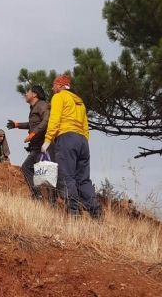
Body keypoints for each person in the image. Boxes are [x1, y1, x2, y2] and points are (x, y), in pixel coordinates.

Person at [41, 75, 101, 219]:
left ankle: (73, 212)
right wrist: (83, 140)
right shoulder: (80, 102)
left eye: (54, 85)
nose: (52, 88)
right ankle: (95, 211)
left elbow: (55, 118)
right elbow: (86, 126)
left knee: (67, 175)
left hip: (66, 137)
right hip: (82, 141)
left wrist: (48, 140)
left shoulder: (59, 97)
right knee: (84, 179)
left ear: (61, 86)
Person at [6, 85, 54, 201]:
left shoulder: (42, 105)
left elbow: (46, 122)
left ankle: (53, 202)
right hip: (36, 147)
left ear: (35, 94)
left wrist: (33, 134)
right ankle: (37, 195)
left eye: (28, 92)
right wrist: (17, 125)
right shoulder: (34, 107)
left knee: (47, 173)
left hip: (44, 146)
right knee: (26, 167)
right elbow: (33, 124)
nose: (25, 94)